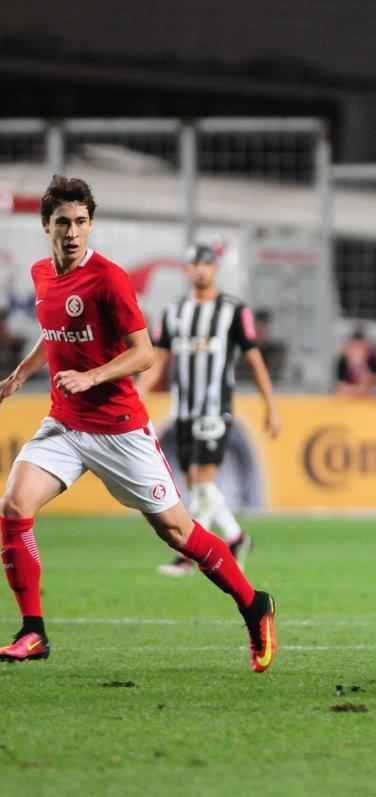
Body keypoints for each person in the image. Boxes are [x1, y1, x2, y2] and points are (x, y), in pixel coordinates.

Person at [0, 176, 276, 670]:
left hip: (119, 429)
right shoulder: (43, 273)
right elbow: (51, 329)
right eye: (63, 222)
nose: (72, 232)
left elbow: (145, 354)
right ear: (46, 225)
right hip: (64, 425)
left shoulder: (108, 278)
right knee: (14, 506)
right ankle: (33, 632)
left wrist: (93, 376)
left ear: (91, 225)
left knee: (177, 531)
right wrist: (21, 373)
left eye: (81, 222)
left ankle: (253, 603)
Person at [137, 243, 282, 577]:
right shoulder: (173, 312)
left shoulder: (232, 310)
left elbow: (254, 358)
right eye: (193, 265)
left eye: (206, 264)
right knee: (196, 483)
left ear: (214, 269)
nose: (200, 270)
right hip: (183, 409)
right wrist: (137, 393)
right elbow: (157, 360)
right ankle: (235, 537)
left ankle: (190, 555)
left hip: (215, 408)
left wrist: (271, 406)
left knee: (203, 482)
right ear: (186, 271)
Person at [335, 327, 376, 396]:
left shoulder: (373, 360)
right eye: (355, 347)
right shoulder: (342, 360)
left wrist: (369, 379)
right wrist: (357, 390)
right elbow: (339, 387)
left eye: (360, 347)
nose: (357, 351)